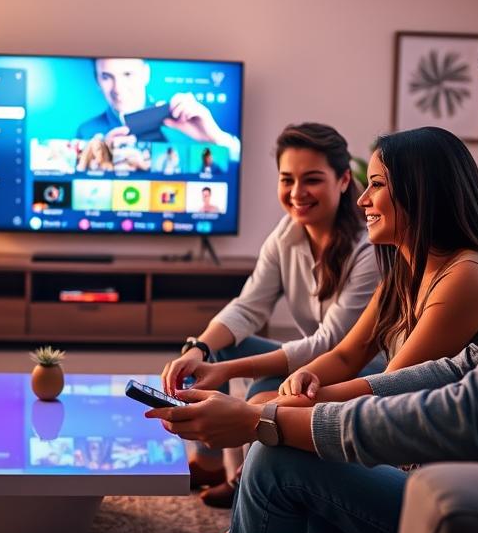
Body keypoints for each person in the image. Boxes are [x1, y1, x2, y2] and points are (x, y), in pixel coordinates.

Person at [148, 13, 478, 533]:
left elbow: (475, 413)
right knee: (278, 434)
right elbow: (464, 366)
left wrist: (267, 421)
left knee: (277, 455)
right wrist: (279, 406)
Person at [160, 122, 380, 506]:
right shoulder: (288, 233)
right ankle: (214, 466)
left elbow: (331, 344)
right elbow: (248, 306)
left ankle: (247, 481)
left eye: (311, 179)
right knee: (229, 345)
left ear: (344, 180)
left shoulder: (367, 250)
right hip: (314, 360)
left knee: (240, 368)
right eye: (287, 179)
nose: (297, 193)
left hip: (361, 368)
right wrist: (197, 349)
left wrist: (227, 370)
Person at [269, 126, 478, 411]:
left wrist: (271, 408)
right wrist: (308, 376)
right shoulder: (404, 274)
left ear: (420, 191)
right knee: (266, 402)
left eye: (376, 185)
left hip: (439, 447)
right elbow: (346, 356)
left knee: (268, 417)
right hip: (403, 430)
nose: (362, 199)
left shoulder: (469, 277)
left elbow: (392, 386)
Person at [76, 58, 241, 159]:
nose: (118, 89)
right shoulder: (85, 132)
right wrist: (102, 161)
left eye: (128, 75)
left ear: (145, 74)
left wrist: (217, 139)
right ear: (97, 80)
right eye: (106, 77)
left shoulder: (185, 121)